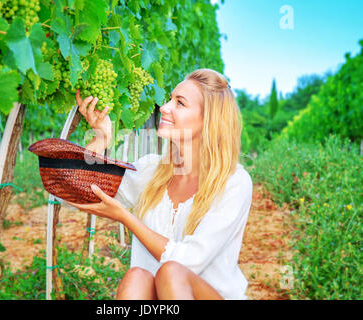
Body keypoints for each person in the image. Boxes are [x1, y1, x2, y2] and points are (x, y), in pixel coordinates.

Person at [66, 69, 253, 300]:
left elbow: (190, 261)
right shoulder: (150, 170)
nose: (164, 107)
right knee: (137, 277)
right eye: (169, 99)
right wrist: (100, 137)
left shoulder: (233, 182)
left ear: (208, 120)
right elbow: (80, 191)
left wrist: (126, 218)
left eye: (180, 103)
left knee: (173, 272)